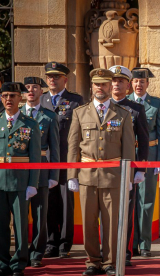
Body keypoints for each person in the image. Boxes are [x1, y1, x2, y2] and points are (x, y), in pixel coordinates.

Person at [67, 68, 135, 276]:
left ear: (109, 86)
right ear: (92, 86)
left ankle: (110, 262)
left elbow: (129, 148)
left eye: (104, 84)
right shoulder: (80, 112)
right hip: (87, 175)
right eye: (97, 84)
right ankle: (92, 261)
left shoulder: (123, 114)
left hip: (113, 176)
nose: (100, 88)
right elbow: (73, 145)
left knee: (112, 222)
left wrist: (128, 177)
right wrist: (72, 175)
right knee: (88, 222)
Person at [40, 62, 84, 258]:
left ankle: (65, 244)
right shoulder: (41, 101)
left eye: (56, 77)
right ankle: (51, 242)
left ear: (65, 80)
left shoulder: (75, 101)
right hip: (47, 160)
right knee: (49, 202)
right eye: (49, 77)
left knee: (66, 203)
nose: (52, 80)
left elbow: (79, 133)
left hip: (67, 160)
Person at [108, 65, 149, 266]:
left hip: (126, 168)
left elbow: (143, 141)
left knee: (126, 210)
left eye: (121, 81)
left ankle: (124, 252)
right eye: (114, 81)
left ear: (128, 85)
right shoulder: (99, 107)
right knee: (103, 212)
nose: (117, 84)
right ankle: (105, 251)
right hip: (104, 168)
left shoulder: (136, 109)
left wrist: (140, 169)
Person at [0, 82, 41, 276]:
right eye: (5, 95)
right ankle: (2, 262)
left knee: (20, 224)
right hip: (0, 181)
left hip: (21, 181)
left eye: (13, 96)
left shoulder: (30, 123)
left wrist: (33, 183)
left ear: (20, 98)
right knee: (0, 224)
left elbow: (34, 157)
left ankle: (19, 263)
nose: (9, 99)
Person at [127, 67, 160, 257]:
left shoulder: (156, 104)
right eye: (136, 81)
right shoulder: (124, 103)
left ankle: (144, 244)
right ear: (131, 84)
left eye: (142, 82)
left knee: (146, 201)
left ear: (147, 84)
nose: (139, 84)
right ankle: (130, 244)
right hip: (128, 157)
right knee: (128, 201)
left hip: (149, 157)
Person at [22, 77, 60, 268]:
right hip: (20, 171)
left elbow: (55, 148)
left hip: (42, 171)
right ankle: (20, 252)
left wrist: (54, 175)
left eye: (35, 87)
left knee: (40, 215)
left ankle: (36, 253)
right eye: (27, 88)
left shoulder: (49, 117)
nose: (30, 91)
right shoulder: (16, 115)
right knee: (19, 214)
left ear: (41, 92)